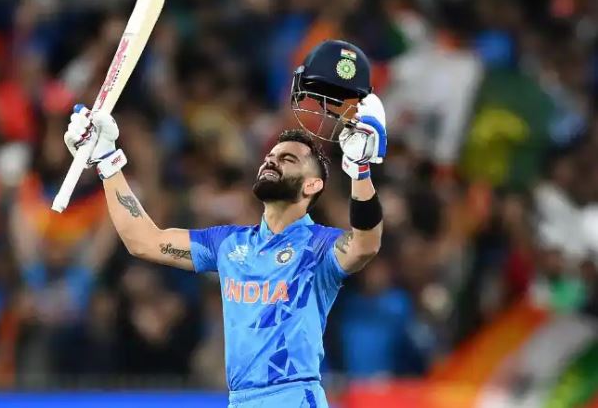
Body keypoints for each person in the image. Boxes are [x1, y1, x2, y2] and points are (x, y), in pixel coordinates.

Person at [63, 40, 387, 407]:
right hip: (240, 400)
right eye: (271, 156)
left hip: (293, 397)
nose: (271, 160)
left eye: (288, 159)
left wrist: (360, 170)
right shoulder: (230, 244)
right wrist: (107, 160)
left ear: (312, 185)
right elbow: (143, 240)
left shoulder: (317, 246)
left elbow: (366, 243)